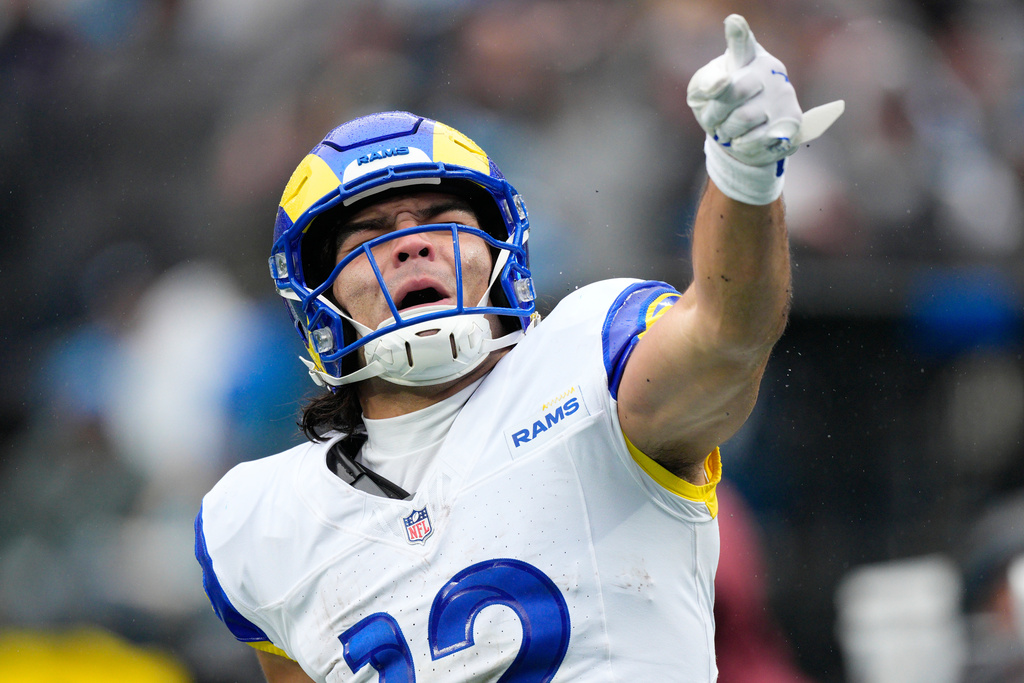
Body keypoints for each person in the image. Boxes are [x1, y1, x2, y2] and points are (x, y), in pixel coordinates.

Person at [194, 15, 842, 682]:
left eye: (444, 221)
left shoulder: (591, 362)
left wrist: (743, 172)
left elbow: (727, 335)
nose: (412, 243)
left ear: (499, 254)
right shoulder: (259, 523)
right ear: (317, 297)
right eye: (370, 234)